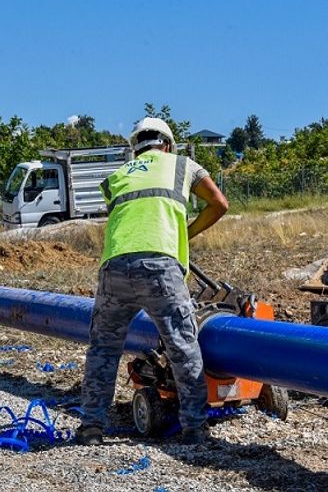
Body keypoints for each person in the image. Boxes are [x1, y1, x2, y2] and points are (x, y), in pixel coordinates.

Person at [78, 117, 229, 445]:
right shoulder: (182, 165)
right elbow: (219, 203)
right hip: (160, 268)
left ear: (135, 149)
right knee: (182, 345)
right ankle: (194, 428)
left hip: (114, 267)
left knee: (103, 349)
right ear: (168, 145)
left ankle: (91, 427)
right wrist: (187, 234)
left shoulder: (118, 176)